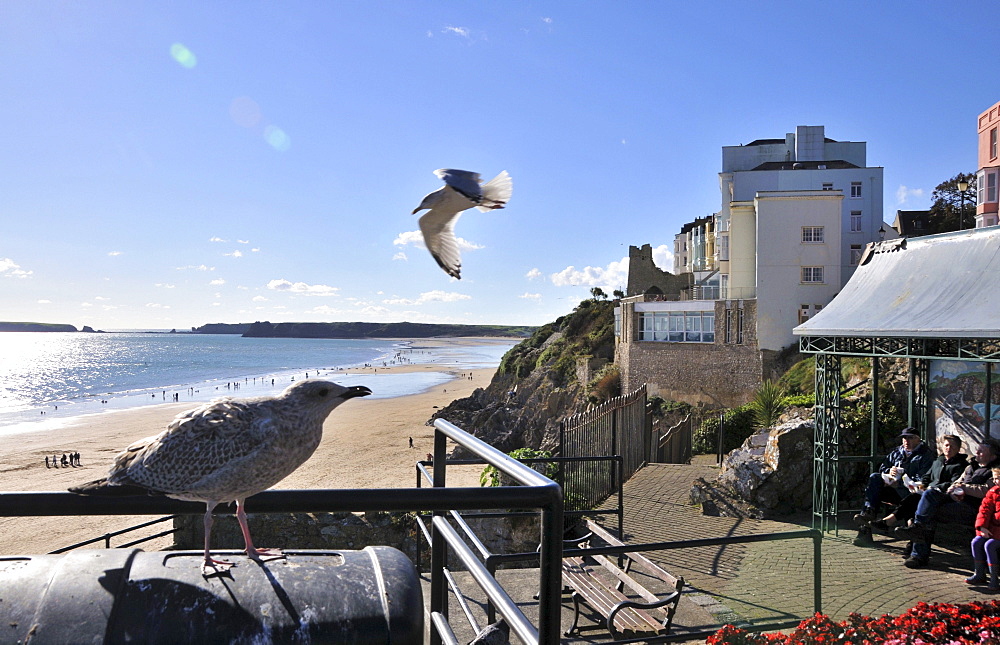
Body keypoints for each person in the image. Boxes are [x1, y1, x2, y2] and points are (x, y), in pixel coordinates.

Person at [895, 440, 1000, 568]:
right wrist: (952, 491)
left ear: (993, 456)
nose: (976, 452)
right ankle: (917, 531)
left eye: (981, 451)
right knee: (930, 495)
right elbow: (956, 483)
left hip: (973, 508)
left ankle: (918, 555)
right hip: (956, 501)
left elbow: (986, 490)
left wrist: (964, 488)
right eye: (977, 449)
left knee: (928, 515)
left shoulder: (995, 471)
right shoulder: (970, 467)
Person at [853, 427, 934, 547]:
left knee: (912, 501)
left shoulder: (925, 455)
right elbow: (883, 468)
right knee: (874, 480)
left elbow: (922, 478)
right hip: (893, 488)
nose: (906, 441)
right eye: (904, 438)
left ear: (918, 440)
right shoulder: (897, 452)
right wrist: (890, 472)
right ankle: (867, 517)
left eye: (910, 438)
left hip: (909, 491)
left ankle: (912, 542)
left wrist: (901, 480)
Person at [871, 434, 968, 532]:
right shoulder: (939, 461)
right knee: (914, 496)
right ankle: (908, 529)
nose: (949, 448)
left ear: (958, 449)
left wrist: (931, 487)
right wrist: (921, 485)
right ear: (943, 446)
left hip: (943, 495)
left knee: (915, 499)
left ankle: (890, 522)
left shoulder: (961, 465)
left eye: (952, 446)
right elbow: (927, 476)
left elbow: (953, 483)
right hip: (928, 491)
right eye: (946, 445)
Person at [964, 467, 1000, 589]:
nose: (995, 482)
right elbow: (984, 510)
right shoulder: (994, 492)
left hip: (998, 531)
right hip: (992, 529)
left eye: (998, 479)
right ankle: (979, 573)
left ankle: (994, 577)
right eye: (994, 479)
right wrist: (982, 527)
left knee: (990, 545)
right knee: (976, 542)